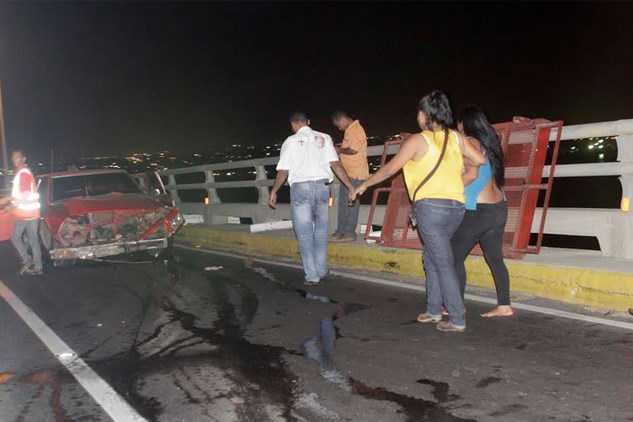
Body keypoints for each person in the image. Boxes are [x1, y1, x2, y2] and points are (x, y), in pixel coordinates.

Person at [351, 91, 485, 332]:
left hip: (430, 208)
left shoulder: (417, 140)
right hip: (456, 207)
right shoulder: (455, 137)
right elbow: (479, 160)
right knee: (431, 257)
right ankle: (433, 309)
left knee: (443, 262)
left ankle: (457, 318)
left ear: (425, 115)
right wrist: (458, 171)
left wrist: (364, 184)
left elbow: (391, 168)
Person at [270, 112, 354, 286]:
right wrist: (351, 186)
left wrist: (274, 191)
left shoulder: (290, 142)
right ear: (308, 122)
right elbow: (335, 164)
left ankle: (312, 275)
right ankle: (322, 269)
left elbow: (283, 171)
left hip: (301, 188)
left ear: (293, 125)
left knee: (305, 235)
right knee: (321, 232)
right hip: (322, 188)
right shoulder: (324, 137)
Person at [451, 106, 513, 317]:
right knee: (495, 258)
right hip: (498, 208)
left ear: (464, 124)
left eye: (458, 123)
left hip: (478, 211)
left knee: (452, 259)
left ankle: (456, 304)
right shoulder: (490, 145)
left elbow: (468, 173)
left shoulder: (469, 144)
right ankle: (504, 305)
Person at [0, 149, 43, 276]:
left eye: (17, 157)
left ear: (24, 159)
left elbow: (24, 194)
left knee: (16, 237)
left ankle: (28, 260)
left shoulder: (23, 173)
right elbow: (21, 194)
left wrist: (9, 203)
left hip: (25, 213)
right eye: (13, 158)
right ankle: (37, 266)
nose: (14, 160)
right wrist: (9, 202)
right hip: (31, 213)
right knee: (33, 240)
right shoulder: (23, 172)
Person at [330, 111, 370, 242]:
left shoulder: (356, 129)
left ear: (341, 120)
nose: (339, 128)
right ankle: (340, 231)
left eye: (338, 125)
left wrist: (339, 150)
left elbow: (353, 150)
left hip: (356, 173)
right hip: (347, 174)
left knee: (351, 204)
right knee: (343, 203)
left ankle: (349, 233)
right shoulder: (350, 130)